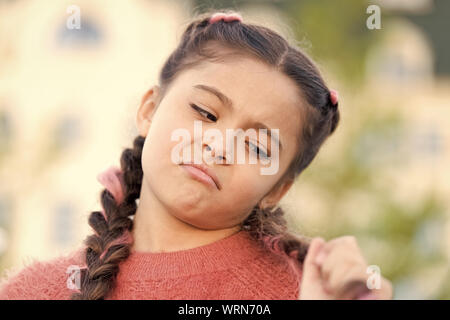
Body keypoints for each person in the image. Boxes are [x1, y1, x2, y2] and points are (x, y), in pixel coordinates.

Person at [0, 10, 392, 300]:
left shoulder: (303, 292)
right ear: (149, 110)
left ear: (278, 189)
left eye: (257, 146)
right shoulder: (31, 291)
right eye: (205, 113)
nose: (218, 146)